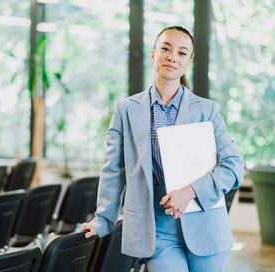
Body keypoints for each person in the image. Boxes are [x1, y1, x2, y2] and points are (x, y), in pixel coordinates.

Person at [79, 25, 244, 271]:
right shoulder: (126, 109)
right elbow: (114, 170)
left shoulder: (206, 110)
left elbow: (234, 166)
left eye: (181, 52)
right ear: (154, 53)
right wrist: (102, 220)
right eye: (165, 49)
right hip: (155, 228)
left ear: (189, 61)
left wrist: (190, 192)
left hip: (206, 225)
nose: (172, 57)